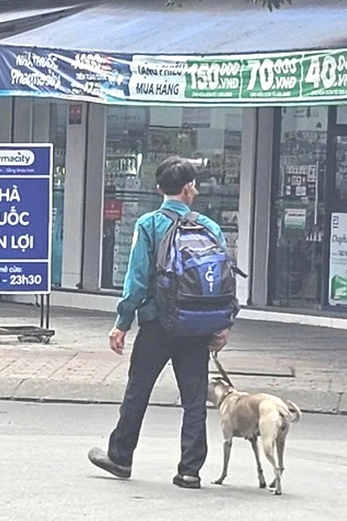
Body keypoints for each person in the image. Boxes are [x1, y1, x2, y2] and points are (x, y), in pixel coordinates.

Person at [88, 156, 230, 490]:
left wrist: (122, 322)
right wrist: (223, 324)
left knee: (138, 390)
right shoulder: (210, 228)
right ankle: (190, 470)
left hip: (156, 323)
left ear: (158, 189)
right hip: (197, 325)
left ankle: (120, 457)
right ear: (189, 189)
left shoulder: (148, 225)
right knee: (194, 398)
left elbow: (136, 280)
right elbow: (222, 281)